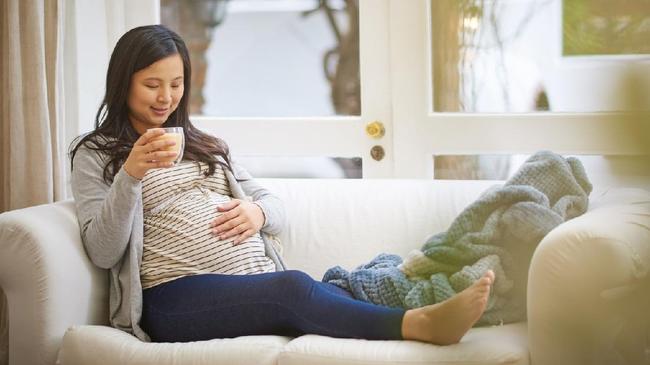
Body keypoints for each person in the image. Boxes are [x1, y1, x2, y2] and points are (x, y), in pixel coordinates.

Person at [69, 24, 494, 345]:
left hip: (250, 282)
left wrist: (258, 212)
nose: (166, 98)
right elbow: (103, 250)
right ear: (123, 83)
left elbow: (276, 206)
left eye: (176, 84)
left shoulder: (205, 146)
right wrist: (131, 174)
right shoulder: (97, 153)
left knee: (340, 285)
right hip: (173, 298)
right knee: (291, 289)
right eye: (152, 85)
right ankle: (419, 325)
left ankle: (440, 304)